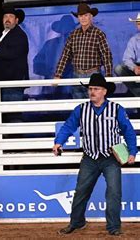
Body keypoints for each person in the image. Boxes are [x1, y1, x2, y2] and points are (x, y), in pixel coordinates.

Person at [53, 73, 137, 236]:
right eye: (90, 89)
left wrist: (132, 152)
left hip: (111, 158)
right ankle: (76, 222)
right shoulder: (81, 109)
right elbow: (68, 126)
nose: (92, 92)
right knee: (81, 191)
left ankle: (113, 227)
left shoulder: (116, 109)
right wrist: (59, 142)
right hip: (90, 158)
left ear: (104, 91)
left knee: (114, 192)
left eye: (96, 89)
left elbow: (128, 131)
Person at [54, 3, 113, 99]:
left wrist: (108, 75)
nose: (83, 18)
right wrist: (58, 74)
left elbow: (106, 55)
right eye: (81, 16)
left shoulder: (98, 34)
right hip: (77, 74)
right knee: (79, 105)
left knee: (95, 104)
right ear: (78, 18)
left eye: (86, 15)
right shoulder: (73, 35)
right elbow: (65, 55)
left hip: (93, 74)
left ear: (91, 16)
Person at [0, 6, 29, 122]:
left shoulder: (19, 35)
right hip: (3, 82)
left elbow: (13, 53)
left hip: (12, 82)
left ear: (16, 20)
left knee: (12, 115)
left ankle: (16, 138)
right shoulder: (3, 35)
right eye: (5, 16)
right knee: (5, 116)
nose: (7, 19)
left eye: (11, 16)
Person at [114, 13, 140, 97]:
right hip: (137, 68)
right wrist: (134, 67)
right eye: (139, 23)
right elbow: (127, 58)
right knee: (119, 68)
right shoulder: (134, 40)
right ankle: (138, 93)